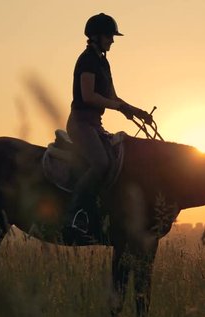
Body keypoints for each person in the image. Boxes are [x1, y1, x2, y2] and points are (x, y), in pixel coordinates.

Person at [63, 13, 153, 240]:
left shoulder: (103, 62)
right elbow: (88, 96)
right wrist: (117, 107)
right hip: (81, 123)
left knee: (117, 161)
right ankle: (74, 215)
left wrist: (136, 111)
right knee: (101, 163)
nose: (112, 41)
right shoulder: (87, 60)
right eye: (110, 36)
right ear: (97, 37)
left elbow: (113, 96)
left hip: (95, 124)